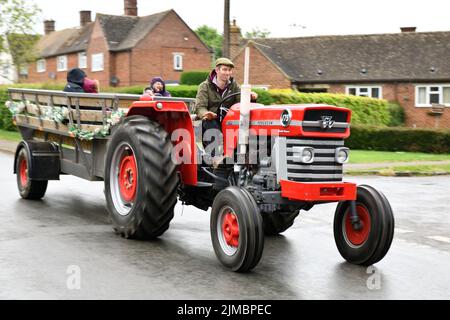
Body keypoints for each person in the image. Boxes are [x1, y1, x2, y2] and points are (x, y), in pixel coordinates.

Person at [194, 57, 257, 124]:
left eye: (229, 70)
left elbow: (240, 103)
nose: (227, 73)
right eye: (224, 70)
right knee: (212, 125)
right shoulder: (205, 86)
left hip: (229, 121)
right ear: (217, 70)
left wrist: (250, 98)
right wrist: (205, 114)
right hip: (210, 121)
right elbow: (200, 107)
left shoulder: (234, 86)